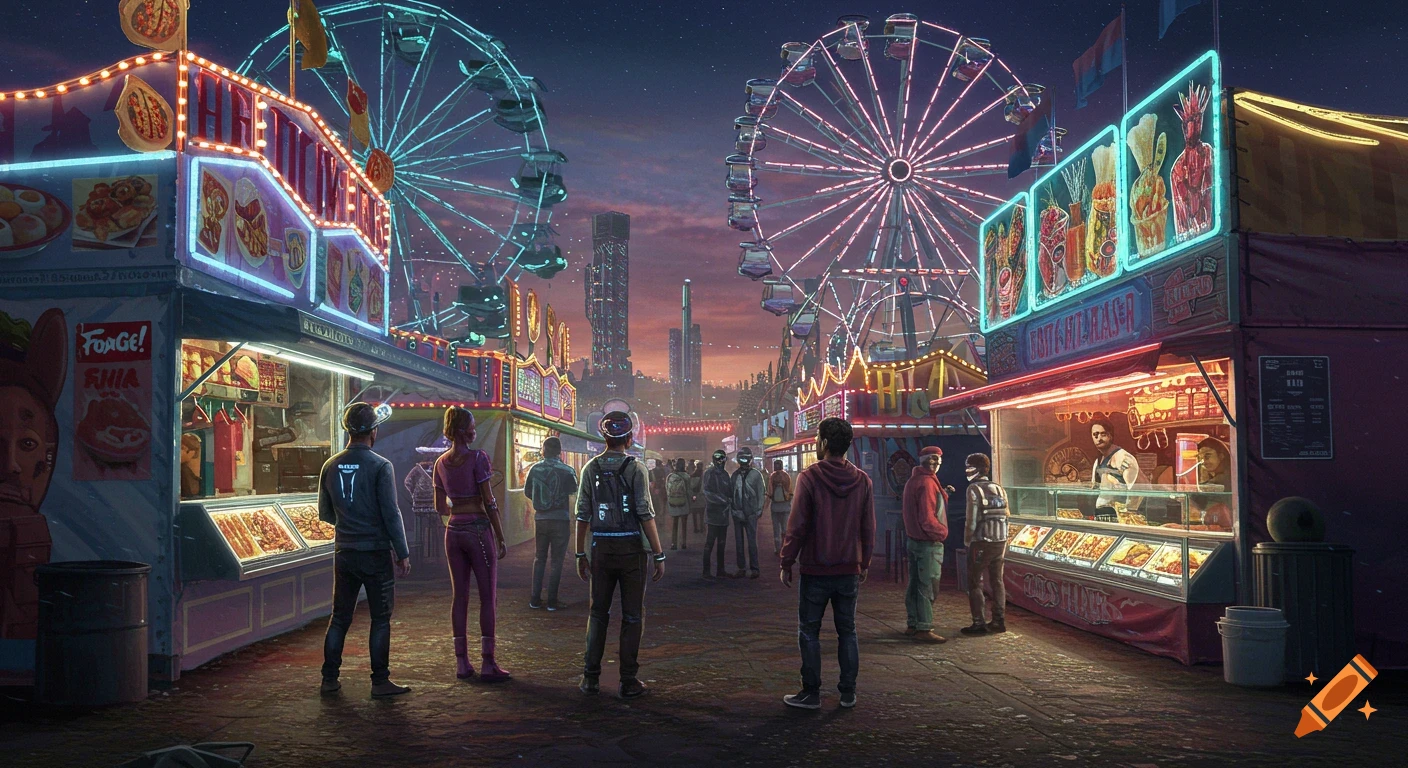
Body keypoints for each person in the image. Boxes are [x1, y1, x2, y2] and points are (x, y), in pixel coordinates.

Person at [318, 402, 412, 697]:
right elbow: (391, 512)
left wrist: (347, 522)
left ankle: (329, 679)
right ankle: (380, 681)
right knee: (380, 618)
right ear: (374, 431)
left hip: (344, 552)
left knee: (340, 617)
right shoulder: (381, 466)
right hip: (375, 553)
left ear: (347, 430)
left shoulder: (330, 465)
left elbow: (325, 513)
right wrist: (402, 551)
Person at [780, 417, 874, 710]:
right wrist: (865, 562)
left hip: (815, 569)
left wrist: (787, 560)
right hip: (848, 568)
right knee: (848, 630)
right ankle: (848, 692)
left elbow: (797, 526)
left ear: (823, 443)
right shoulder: (863, 481)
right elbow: (867, 527)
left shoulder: (809, 478)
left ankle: (811, 693)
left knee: (809, 630)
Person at [575, 411, 666, 698]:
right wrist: (658, 553)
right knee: (632, 615)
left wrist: (580, 553)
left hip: (600, 548)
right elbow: (645, 513)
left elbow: (582, 515)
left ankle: (590, 678)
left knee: (598, 613)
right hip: (631, 551)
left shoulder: (590, 468)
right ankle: (628, 681)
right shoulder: (636, 469)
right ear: (629, 438)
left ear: (604, 437)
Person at [434, 407, 511, 681]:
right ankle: (488, 662)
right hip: (478, 530)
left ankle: (461, 662)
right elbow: (490, 501)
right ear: (463, 431)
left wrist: (458, 503)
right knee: (488, 595)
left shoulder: (440, 463)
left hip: (453, 530)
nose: (475, 430)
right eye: (472, 426)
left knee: (460, 596)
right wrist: (500, 535)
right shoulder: (479, 458)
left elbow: (440, 507)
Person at [525, 436, 579, 611]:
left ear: (544, 450)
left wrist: (542, 500)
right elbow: (573, 492)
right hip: (561, 519)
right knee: (557, 561)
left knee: (539, 558)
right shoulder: (568, 471)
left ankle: (535, 599)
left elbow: (528, 492)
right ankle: (552, 602)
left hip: (541, 518)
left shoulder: (535, 469)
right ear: (559, 451)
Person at [900, 446, 948, 644]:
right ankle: (924, 627)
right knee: (927, 586)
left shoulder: (914, 481)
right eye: (932, 460)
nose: (935, 464)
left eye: (937, 460)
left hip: (913, 540)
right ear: (924, 461)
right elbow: (928, 518)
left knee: (914, 585)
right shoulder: (928, 483)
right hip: (927, 542)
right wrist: (942, 532)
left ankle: (913, 623)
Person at [960, 453, 1010, 635]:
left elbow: (971, 521)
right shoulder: (999, 488)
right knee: (997, 580)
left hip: (981, 542)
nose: (966, 470)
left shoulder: (973, 489)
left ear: (977, 468)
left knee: (974, 582)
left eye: (968, 466)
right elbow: (1007, 514)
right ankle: (999, 621)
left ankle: (978, 622)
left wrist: (967, 541)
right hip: (1000, 541)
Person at [1090, 419, 1143, 520]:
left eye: (1103, 434)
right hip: (1102, 515)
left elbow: (1136, 491)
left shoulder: (1123, 457)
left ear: (1110, 436)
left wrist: (1127, 517)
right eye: (1095, 435)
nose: (1099, 438)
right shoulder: (1097, 462)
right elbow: (1095, 488)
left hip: (1120, 516)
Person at [731, 447, 767, 578]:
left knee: (752, 542)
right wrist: (734, 510)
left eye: (745, 458)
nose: (744, 460)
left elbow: (761, 493)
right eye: (742, 458)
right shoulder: (735, 475)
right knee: (739, 543)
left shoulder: (756, 475)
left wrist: (758, 510)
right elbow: (732, 494)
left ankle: (754, 568)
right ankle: (741, 568)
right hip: (738, 513)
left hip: (751, 513)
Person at [701, 449, 733, 578]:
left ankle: (721, 570)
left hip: (723, 514)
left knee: (721, 543)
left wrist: (729, 499)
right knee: (710, 543)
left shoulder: (725, 474)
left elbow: (729, 492)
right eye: (717, 458)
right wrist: (723, 500)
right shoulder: (709, 473)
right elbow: (707, 492)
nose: (720, 461)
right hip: (713, 514)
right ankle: (706, 571)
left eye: (722, 458)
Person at [665, 458, 692, 550]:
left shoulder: (670, 476)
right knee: (684, 524)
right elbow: (689, 491)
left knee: (674, 524)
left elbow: (667, 490)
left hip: (673, 502)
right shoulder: (687, 476)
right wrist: (690, 503)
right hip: (684, 502)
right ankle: (683, 543)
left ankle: (673, 544)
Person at [768, 459, 793, 556]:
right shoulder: (787, 476)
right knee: (785, 528)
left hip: (775, 506)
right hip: (785, 505)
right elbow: (790, 491)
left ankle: (777, 548)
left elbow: (770, 491)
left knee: (776, 529)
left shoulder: (772, 476)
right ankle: (785, 547)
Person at [180, 433, 203, 499]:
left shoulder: (184, 471)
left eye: (182, 448)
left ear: (192, 452)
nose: (179, 452)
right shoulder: (181, 470)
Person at [688, 460, 706, 535]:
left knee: (694, 514)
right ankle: (702, 527)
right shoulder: (704, 476)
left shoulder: (692, 476)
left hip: (694, 497)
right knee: (702, 514)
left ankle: (695, 528)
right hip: (701, 497)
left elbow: (690, 487)